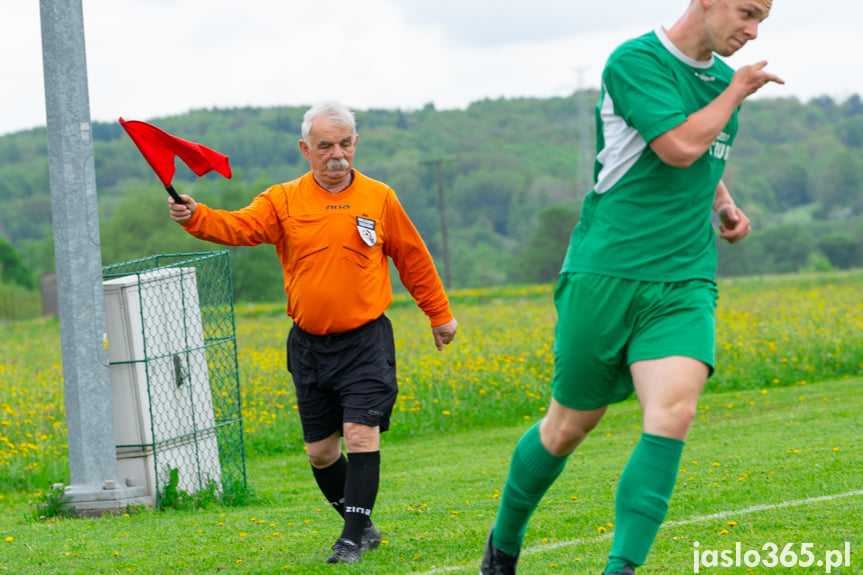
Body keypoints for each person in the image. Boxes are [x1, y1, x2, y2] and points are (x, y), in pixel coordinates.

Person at [480, 1, 783, 574]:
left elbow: (704, 159)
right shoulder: (636, 61)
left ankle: (621, 569)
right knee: (568, 426)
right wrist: (736, 91)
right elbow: (678, 146)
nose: (754, 30)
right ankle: (504, 543)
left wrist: (724, 203)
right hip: (605, 273)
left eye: (763, 18)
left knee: (673, 414)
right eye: (747, 12)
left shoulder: (720, 82)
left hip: (685, 278)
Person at [168, 101, 458, 565]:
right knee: (321, 452)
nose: (337, 154)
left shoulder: (380, 197)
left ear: (356, 144)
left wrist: (438, 314)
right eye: (326, 146)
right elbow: (240, 226)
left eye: (345, 144)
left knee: (361, 435)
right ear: (306, 149)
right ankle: (363, 526)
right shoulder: (283, 199)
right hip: (308, 345)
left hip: (365, 340)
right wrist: (196, 216)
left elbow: (413, 257)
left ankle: (350, 540)